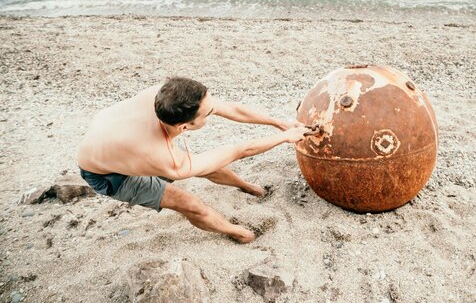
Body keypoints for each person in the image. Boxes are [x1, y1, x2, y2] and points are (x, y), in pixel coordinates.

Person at [77, 76, 310, 243]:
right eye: (208, 115)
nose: (213, 113)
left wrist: (278, 123)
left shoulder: (164, 95)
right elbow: (241, 150)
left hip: (114, 142)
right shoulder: (168, 160)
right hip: (107, 174)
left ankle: (247, 187)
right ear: (185, 126)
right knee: (190, 204)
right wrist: (287, 138)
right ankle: (239, 233)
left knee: (206, 165)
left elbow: (230, 109)